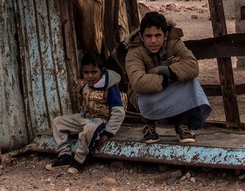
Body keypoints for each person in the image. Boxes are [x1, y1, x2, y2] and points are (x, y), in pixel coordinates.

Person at [124, 10, 210, 144]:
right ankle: (149, 126)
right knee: (143, 92)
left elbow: (193, 67)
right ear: (141, 37)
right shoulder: (134, 51)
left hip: (165, 87)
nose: (153, 41)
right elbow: (138, 83)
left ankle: (182, 125)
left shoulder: (174, 42)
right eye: (148, 36)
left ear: (166, 35)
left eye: (158, 35)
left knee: (191, 82)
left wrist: (162, 70)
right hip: (145, 97)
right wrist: (173, 74)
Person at [46, 52, 127, 174]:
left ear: (102, 71)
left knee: (89, 129)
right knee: (58, 121)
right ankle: (64, 156)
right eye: (86, 72)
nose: (90, 76)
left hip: (101, 120)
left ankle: (79, 161)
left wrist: (107, 133)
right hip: (86, 117)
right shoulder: (85, 85)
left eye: (94, 72)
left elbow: (119, 113)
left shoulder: (110, 88)